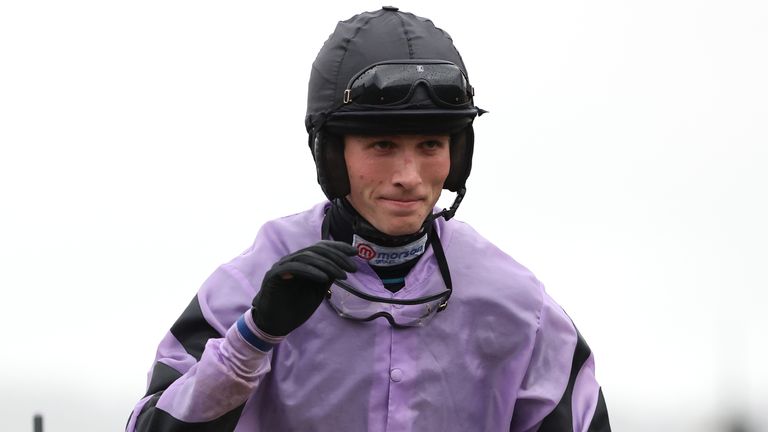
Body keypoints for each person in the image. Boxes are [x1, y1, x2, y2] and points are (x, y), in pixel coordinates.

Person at [126, 6, 611, 431]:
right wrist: (254, 337)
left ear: (458, 154)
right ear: (331, 155)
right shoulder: (250, 283)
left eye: (431, 145)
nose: (409, 177)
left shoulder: (519, 304)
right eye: (382, 145)